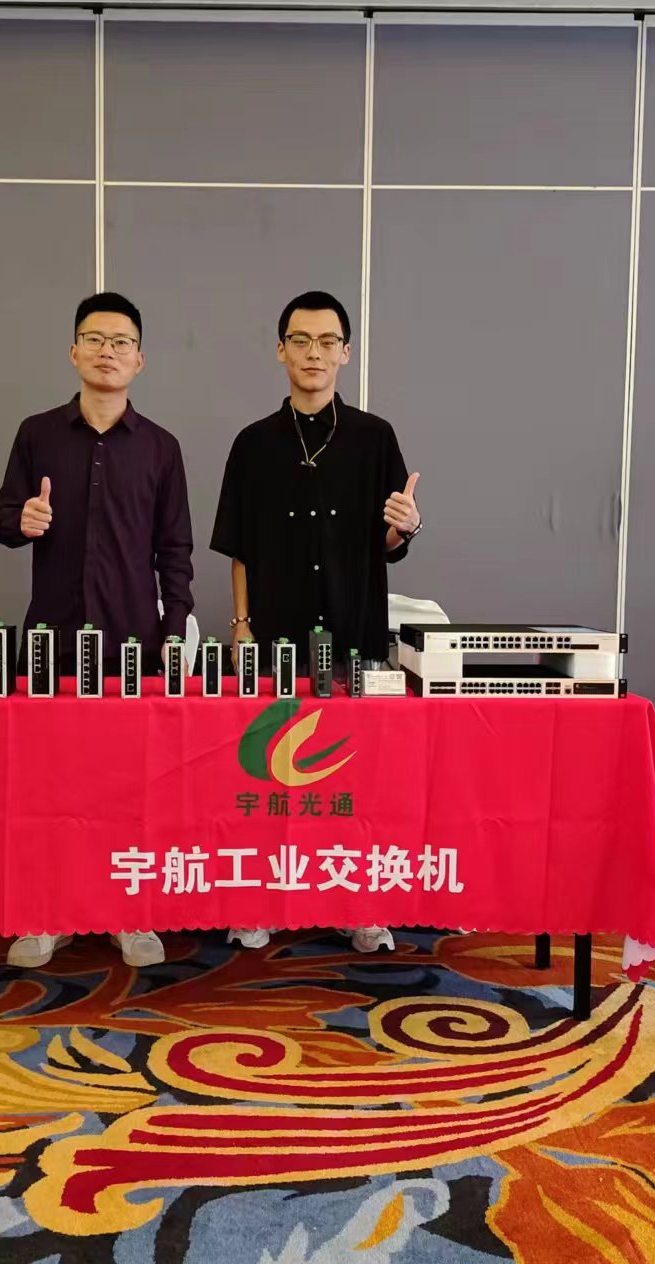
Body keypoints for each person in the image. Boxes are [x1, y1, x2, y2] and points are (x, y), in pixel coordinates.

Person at [211, 291, 423, 955]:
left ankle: (358, 905)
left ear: (345, 353)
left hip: (354, 633)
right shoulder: (253, 444)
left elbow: (389, 542)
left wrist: (404, 527)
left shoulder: (374, 437)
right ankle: (260, 902)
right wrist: (241, 623)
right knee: (266, 777)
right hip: (274, 633)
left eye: (328, 341)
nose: (314, 353)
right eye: (300, 340)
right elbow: (239, 546)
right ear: (281, 350)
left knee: (355, 778)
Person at [0, 292, 193, 970]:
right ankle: (48, 913)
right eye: (95, 339)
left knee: (130, 785)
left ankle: (127, 913)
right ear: (74, 351)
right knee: (47, 784)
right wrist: (22, 521)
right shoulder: (37, 434)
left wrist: (173, 632)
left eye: (121, 341)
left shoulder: (161, 448)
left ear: (140, 359)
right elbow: (2, 518)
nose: (108, 351)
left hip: (134, 643)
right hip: (52, 639)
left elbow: (175, 550)